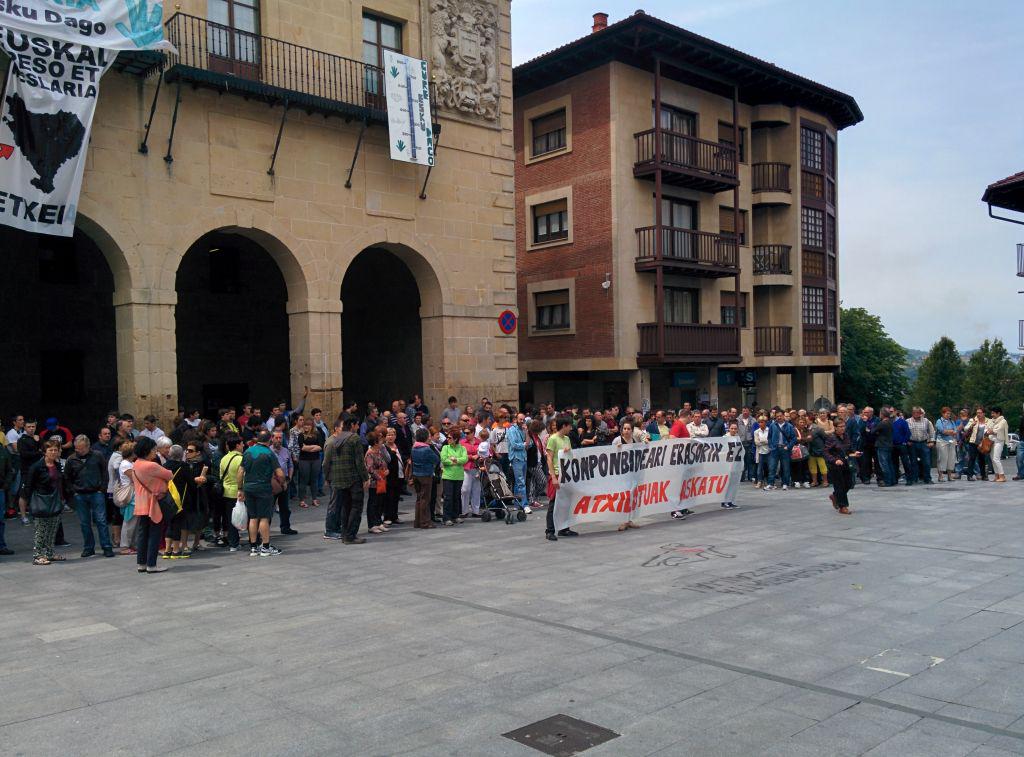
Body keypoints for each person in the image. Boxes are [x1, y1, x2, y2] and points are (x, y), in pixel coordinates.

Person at [237, 431, 285, 557]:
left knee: (253, 517)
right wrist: (282, 483)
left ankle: (253, 547)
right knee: (264, 518)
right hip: (263, 488)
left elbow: (240, 472)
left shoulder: (248, 452)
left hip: (249, 488)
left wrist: (240, 489)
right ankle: (265, 547)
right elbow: (280, 474)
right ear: (269, 440)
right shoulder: (269, 453)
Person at [65, 434, 113, 558]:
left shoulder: (97, 456)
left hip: (96, 492)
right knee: (84, 523)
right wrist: (73, 491)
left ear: (87, 446)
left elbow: (104, 473)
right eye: (77, 448)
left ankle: (106, 546)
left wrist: (102, 489)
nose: (78, 450)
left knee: (101, 521)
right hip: (80, 494)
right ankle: (88, 547)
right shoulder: (71, 459)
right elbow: (67, 477)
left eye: (81, 448)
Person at [323, 415, 369, 544]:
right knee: (356, 506)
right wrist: (365, 478)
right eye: (357, 424)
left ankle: (344, 535)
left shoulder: (335, 438)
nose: (358, 427)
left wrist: (327, 477)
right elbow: (359, 461)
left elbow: (327, 462)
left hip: (338, 479)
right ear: (352, 425)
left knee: (345, 507)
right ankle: (351, 535)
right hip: (353, 478)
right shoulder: (354, 438)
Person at [131, 436, 174, 573]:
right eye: (154, 450)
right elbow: (169, 475)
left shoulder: (136, 464)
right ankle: (151, 564)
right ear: (147, 450)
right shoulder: (151, 465)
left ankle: (141, 564)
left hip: (141, 502)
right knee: (155, 533)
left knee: (143, 533)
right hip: (154, 502)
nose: (155, 452)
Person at [25, 441, 66, 565]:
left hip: (56, 501)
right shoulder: (36, 467)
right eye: (50, 450)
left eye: (55, 450)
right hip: (41, 501)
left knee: (52, 530)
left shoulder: (58, 465)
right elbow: (29, 486)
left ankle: (49, 553)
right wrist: (30, 503)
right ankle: (37, 556)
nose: (53, 452)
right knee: (41, 530)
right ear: (44, 452)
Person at [545, 415, 576, 541]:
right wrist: (553, 477)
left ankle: (564, 528)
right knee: (553, 503)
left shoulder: (567, 439)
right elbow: (549, 458)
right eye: (569, 426)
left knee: (566, 502)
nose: (571, 428)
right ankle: (550, 530)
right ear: (564, 426)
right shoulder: (553, 439)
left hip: (566, 473)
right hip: (557, 473)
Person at [218, 435, 245, 551]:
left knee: (231, 519)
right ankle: (254, 541)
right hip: (238, 492)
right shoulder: (241, 459)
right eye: (242, 444)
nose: (243, 446)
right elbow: (243, 476)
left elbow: (221, 475)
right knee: (244, 516)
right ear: (237, 445)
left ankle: (233, 544)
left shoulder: (224, 458)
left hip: (226, 492)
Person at [824, 420, 857, 515]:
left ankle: (835, 496)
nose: (843, 428)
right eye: (840, 426)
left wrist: (855, 453)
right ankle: (843, 507)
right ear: (835, 427)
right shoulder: (831, 438)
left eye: (844, 426)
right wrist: (834, 460)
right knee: (840, 485)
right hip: (835, 465)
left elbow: (849, 449)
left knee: (849, 483)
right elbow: (825, 452)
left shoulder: (846, 436)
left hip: (846, 463)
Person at [411, 427, 439, 528]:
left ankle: (417, 521)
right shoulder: (427, 449)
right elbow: (436, 459)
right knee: (425, 500)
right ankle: (425, 522)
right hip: (426, 475)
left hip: (416, 474)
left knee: (419, 498)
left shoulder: (414, 447)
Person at [439, 427, 468, 526]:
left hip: (459, 476)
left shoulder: (462, 448)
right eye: (447, 437)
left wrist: (454, 459)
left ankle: (455, 516)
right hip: (448, 476)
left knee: (456, 497)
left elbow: (464, 459)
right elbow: (444, 460)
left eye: (450, 438)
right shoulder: (445, 448)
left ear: (455, 439)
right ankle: (446, 518)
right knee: (448, 497)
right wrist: (456, 461)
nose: (447, 439)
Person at [294, 417, 324, 508]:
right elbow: (302, 447)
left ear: (312, 426)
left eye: (308, 425)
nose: (306, 427)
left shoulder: (317, 434)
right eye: (305, 425)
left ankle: (314, 499)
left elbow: (320, 447)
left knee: (314, 479)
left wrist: (308, 448)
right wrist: (314, 447)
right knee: (304, 480)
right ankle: (302, 500)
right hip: (304, 460)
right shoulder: (301, 435)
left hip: (315, 459)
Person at [270, 430, 296, 535]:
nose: (278, 440)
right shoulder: (268, 451)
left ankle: (285, 527)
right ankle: (265, 530)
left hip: (285, 483)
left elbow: (290, 466)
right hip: (273, 483)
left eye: (280, 438)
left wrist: (289, 478)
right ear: (272, 438)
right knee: (269, 508)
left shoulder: (286, 451)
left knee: (285, 507)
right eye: (276, 438)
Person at [364, 430, 389, 534]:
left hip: (381, 480)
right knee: (373, 503)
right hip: (375, 482)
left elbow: (383, 463)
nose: (382, 442)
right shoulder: (370, 453)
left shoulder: (378, 451)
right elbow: (370, 469)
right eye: (380, 440)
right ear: (375, 442)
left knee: (380, 502)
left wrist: (386, 470)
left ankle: (378, 522)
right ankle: (372, 524)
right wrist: (379, 477)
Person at [765, 410, 796, 491]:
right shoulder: (772, 425)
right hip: (774, 449)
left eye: (780, 416)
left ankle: (785, 484)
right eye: (777, 416)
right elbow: (769, 437)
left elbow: (794, 438)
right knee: (772, 467)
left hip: (785, 448)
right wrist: (771, 446)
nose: (779, 417)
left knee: (785, 467)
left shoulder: (789, 426)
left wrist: (788, 447)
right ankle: (770, 484)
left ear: (783, 416)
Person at [907, 407, 936, 484]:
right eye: (914, 412)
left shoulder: (926, 421)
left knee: (927, 462)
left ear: (920, 413)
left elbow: (932, 432)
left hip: (924, 443)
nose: (916, 414)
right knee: (913, 462)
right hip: (912, 443)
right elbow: (904, 432)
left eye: (918, 412)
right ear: (912, 413)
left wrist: (932, 442)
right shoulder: (907, 421)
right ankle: (914, 478)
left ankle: (927, 478)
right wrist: (906, 441)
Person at [506, 415, 529, 513]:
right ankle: (525, 505)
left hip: (523, 457)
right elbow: (514, 445)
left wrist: (527, 432)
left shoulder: (523, 430)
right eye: (520, 419)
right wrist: (524, 444)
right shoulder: (511, 430)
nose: (522, 421)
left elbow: (529, 444)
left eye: (523, 419)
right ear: (516, 420)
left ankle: (517, 503)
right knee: (521, 482)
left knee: (518, 482)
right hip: (516, 458)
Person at [460, 428, 483, 518]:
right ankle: (464, 511)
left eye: (468, 433)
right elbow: (459, 454)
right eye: (464, 433)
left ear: (473, 433)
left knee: (476, 490)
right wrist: (471, 457)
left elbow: (487, 452)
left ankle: (475, 511)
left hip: (477, 468)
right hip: (466, 468)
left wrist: (480, 456)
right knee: (465, 489)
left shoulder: (479, 442)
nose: (466, 434)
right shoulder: (462, 442)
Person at [962, 407, 989, 482]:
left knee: (982, 459)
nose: (978, 414)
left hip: (983, 443)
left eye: (980, 413)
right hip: (973, 442)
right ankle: (969, 475)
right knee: (972, 459)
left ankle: (983, 475)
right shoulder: (973, 420)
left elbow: (990, 429)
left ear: (984, 413)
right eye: (977, 413)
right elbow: (965, 429)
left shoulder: (988, 421)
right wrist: (972, 425)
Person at [934, 407, 958, 482]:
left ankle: (949, 476)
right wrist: (950, 431)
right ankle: (940, 476)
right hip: (942, 441)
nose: (948, 415)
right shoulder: (939, 421)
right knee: (942, 458)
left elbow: (955, 431)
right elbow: (942, 431)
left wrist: (949, 431)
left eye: (949, 414)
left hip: (951, 441)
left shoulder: (951, 421)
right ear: (943, 413)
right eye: (947, 413)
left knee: (951, 458)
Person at [808, 411, 831, 488]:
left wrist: (824, 448)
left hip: (819, 451)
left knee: (822, 466)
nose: (805, 421)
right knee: (812, 467)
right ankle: (814, 481)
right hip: (810, 451)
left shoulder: (818, 429)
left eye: (807, 420)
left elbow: (825, 438)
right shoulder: (805, 429)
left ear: (811, 420)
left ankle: (825, 481)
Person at [874, 409, 896, 487]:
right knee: (889, 463)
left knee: (884, 464)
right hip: (889, 445)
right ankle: (893, 480)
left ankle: (887, 481)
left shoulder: (882, 423)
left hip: (882, 445)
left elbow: (873, 431)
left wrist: (874, 431)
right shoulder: (890, 422)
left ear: (882, 414)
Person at [987, 407, 1009, 483]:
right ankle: (996, 476)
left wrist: (992, 431)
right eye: (991, 413)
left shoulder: (1003, 421)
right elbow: (987, 429)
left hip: (999, 442)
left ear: (998, 413)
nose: (992, 415)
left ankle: (1002, 476)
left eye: (993, 413)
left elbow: (999, 430)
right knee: (992, 459)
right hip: (991, 442)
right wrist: (990, 431)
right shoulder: (991, 421)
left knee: (996, 458)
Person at [753, 415, 771, 489]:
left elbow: (770, 441)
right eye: (759, 422)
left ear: (765, 423)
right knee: (759, 468)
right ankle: (759, 481)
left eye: (762, 422)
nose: (760, 424)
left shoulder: (769, 430)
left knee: (769, 467)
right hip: (760, 452)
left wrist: (762, 441)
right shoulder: (756, 432)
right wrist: (765, 441)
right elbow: (757, 442)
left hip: (769, 451)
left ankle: (769, 481)